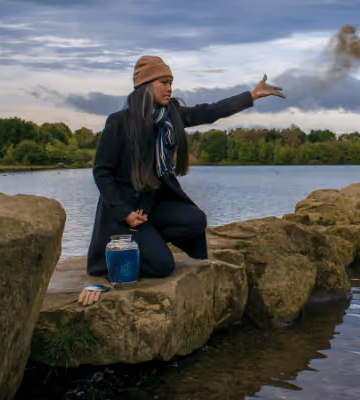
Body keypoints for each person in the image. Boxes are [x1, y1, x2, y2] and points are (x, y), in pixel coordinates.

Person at [79, 55, 284, 306]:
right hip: (126, 214)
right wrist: (125, 213)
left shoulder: (170, 116)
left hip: (153, 207)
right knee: (164, 266)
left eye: (170, 82)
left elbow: (208, 112)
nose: (169, 88)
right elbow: (101, 172)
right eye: (163, 82)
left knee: (195, 220)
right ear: (145, 86)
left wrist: (250, 96)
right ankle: (130, 250)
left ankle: (148, 238)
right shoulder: (119, 123)